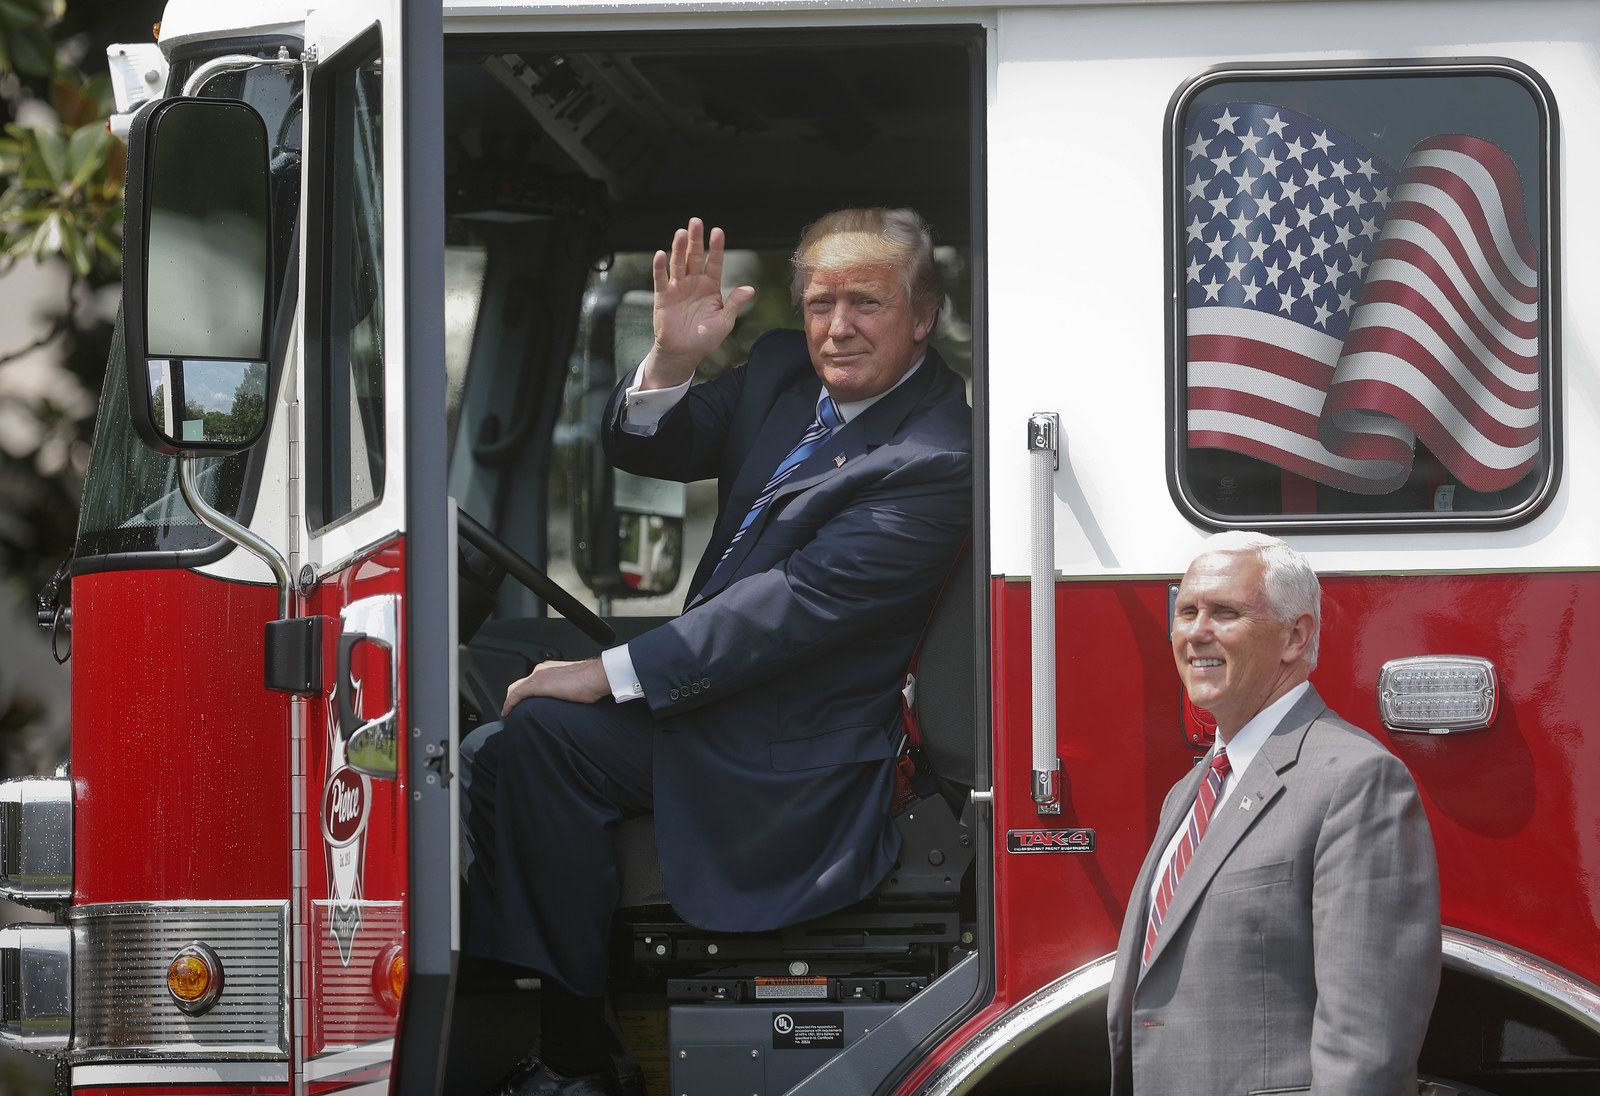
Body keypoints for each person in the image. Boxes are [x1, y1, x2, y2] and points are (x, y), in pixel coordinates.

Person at [462, 209, 972, 1096]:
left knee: (538, 735)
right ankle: (522, 1014)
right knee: (496, 726)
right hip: (722, 694)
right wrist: (673, 360)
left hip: (791, 741)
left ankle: (579, 1056)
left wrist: (607, 673)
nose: (836, 327)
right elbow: (649, 442)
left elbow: (791, 607)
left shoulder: (937, 456)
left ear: (921, 317)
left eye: (866, 304)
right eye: (820, 303)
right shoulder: (782, 369)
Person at [1106, 531, 1441, 1096]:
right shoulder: (1190, 790)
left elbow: (1367, 1047)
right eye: (1186, 611)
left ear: (1296, 635)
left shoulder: (1356, 780)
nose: (1195, 632)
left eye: (1226, 612)